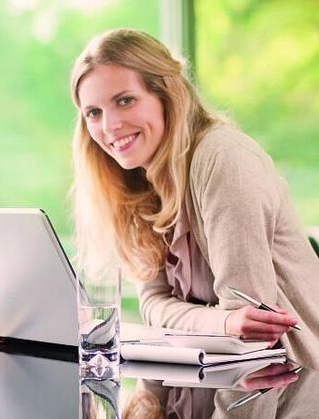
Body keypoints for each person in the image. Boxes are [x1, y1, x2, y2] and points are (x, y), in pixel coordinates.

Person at [69, 29, 319, 369]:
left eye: (125, 100)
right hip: (224, 375)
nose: (110, 126)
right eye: (93, 113)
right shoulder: (140, 179)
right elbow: (153, 303)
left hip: (293, 376)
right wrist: (220, 323)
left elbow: (251, 323)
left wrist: (219, 322)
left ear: (166, 95)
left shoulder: (222, 157)